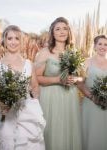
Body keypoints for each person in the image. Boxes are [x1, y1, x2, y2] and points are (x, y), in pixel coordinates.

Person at [0, 25, 46, 150]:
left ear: (21, 42)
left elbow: (35, 88)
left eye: (17, 38)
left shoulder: (28, 64)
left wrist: (35, 105)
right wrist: (1, 104)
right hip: (6, 114)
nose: (13, 42)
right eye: (10, 38)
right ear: (4, 41)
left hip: (27, 113)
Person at [35, 17, 82, 150]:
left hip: (70, 99)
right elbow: (36, 78)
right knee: (52, 132)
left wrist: (75, 79)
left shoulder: (73, 52)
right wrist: (58, 80)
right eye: (58, 29)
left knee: (68, 132)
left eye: (65, 28)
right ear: (53, 33)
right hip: (51, 99)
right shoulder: (45, 53)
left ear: (69, 32)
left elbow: (82, 78)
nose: (62, 31)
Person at [78, 35, 107, 150]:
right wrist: (93, 97)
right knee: (90, 133)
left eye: (105, 44)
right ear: (94, 46)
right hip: (91, 104)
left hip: (106, 105)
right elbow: (80, 83)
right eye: (100, 44)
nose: (103, 47)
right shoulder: (86, 62)